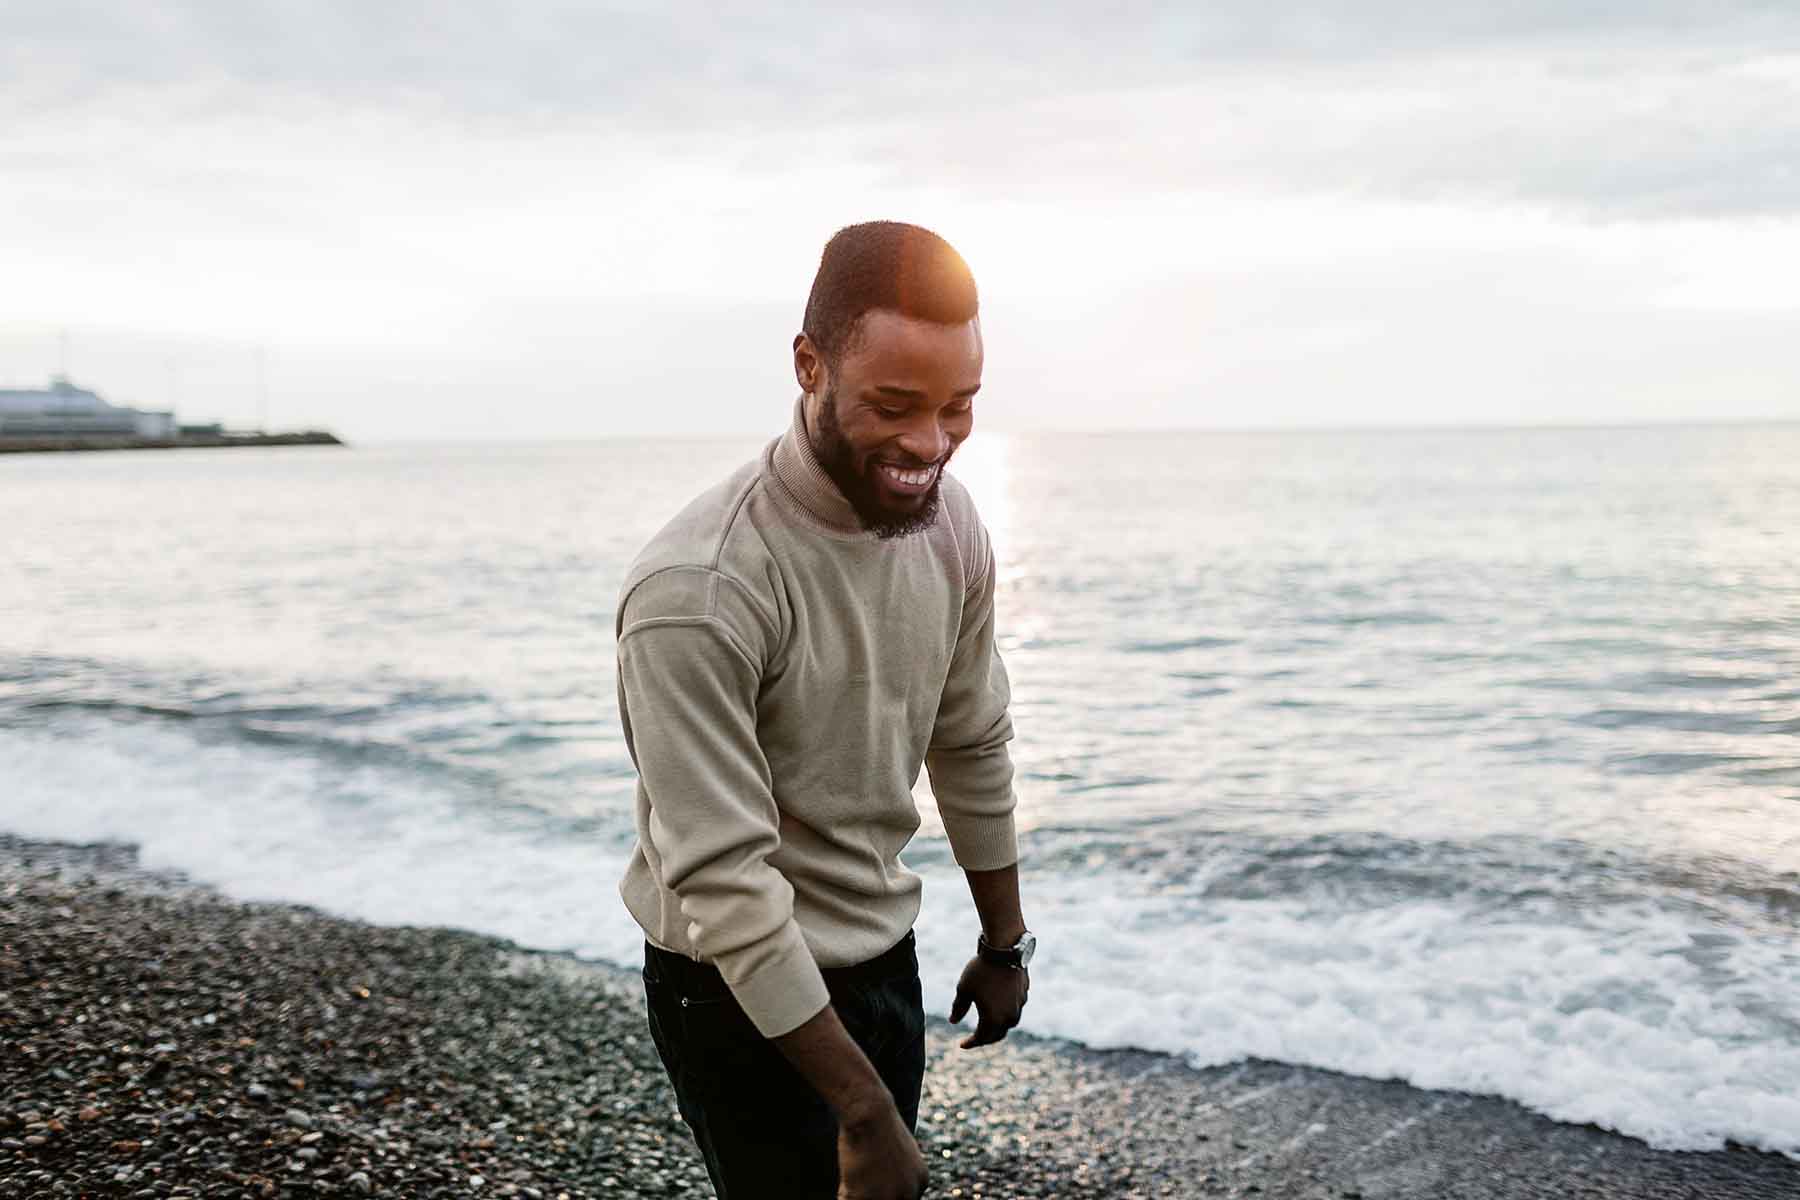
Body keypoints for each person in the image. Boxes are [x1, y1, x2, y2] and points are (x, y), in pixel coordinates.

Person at [613, 220, 1035, 1200]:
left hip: (883, 953)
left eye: (958, 409)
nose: (929, 446)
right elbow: (722, 880)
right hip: (735, 988)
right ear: (810, 365)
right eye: (895, 405)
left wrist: (1004, 942)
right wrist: (865, 1112)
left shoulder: (950, 522)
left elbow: (971, 738)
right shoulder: (699, 589)